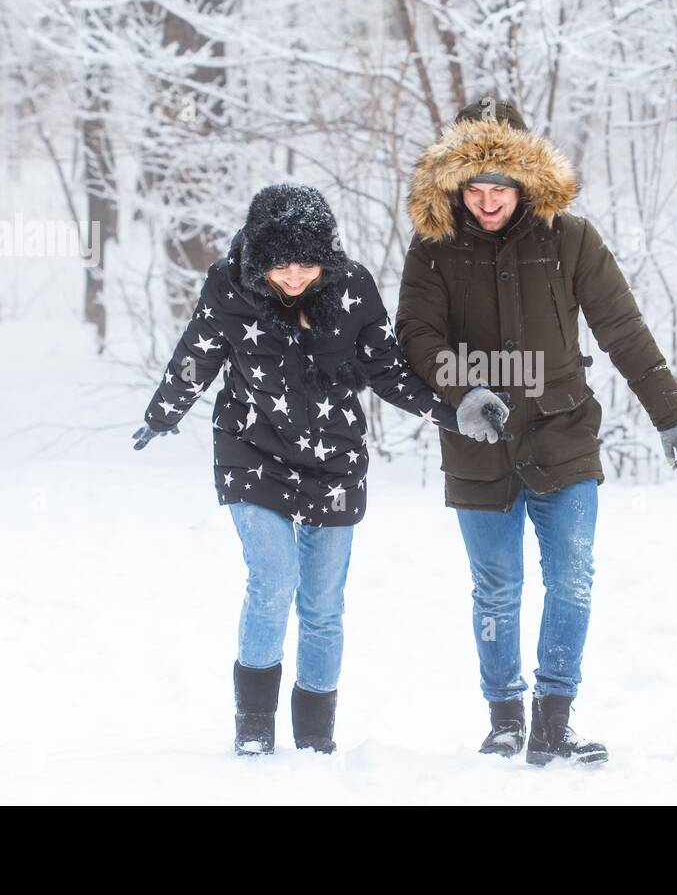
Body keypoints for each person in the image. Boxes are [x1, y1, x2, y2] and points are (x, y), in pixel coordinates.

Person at [132, 183, 488, 756]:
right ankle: (252, 729)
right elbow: (197, 353)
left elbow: (389, 371)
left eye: (307, 264)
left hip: (334, 460)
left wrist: (454, 411)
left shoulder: (352, 288)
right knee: (272, 580)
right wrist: (163, 414)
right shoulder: (229, 285)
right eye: (281, 266)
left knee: (322, 605)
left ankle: (315, 738)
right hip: (251, 450)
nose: (295, 277)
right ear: (258, 258)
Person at [397, 98, 677, 766]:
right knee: (497, 586)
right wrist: (462, 390)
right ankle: (504, 718)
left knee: (572, 577)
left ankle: (553, 723)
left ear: (524, 180)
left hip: (563, 437)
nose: (486, 200)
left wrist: (668, 410)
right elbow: (415, 335)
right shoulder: (434, 248)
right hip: (478, 444)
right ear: (454, 185)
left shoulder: (571, 239)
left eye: (497, 186)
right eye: (472, 187)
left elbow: (622, 329)